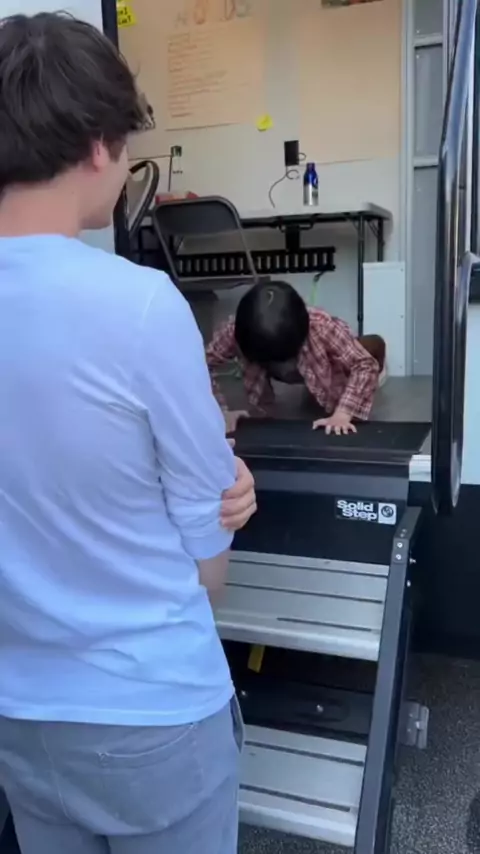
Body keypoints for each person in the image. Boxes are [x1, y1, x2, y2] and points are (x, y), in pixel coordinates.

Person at [0, 12, 256, 854]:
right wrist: (220, 487)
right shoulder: (141, 306)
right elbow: (207, 567)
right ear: (97, 146)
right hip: (153, 714)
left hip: (21, 717)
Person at [206, 280, 386, 435]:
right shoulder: (235, 331)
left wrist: (343, 414)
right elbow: (202, 366)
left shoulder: (321, 326)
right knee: (310, 395)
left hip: (330, 362)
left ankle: (376, 344)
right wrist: (220, 412)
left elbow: (364, 364)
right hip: (291, 369)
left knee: (366, 350)